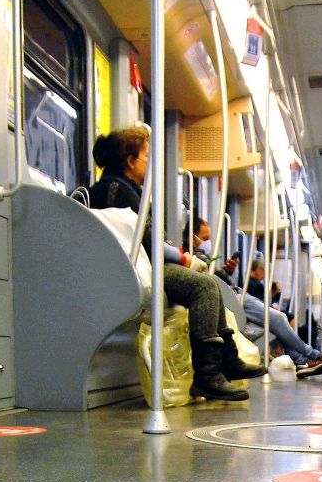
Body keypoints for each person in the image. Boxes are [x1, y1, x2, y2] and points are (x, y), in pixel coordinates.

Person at [88, 126, 265, 401]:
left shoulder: (120, 188)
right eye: (146, 156)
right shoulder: (118, 191)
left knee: (209, 283)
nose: (151, 163)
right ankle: (208, 375)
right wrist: (184, 258)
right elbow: (147, 243)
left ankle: (227, 360)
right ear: (131, 161)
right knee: (203, 286)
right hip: (131, 270)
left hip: (136, 265)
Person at [243, 259, 322, 378]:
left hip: (256, 315)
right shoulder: (253, 285)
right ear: (257, 270)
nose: (264, 274)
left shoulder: (251, 285)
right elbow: (261, 306)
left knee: (282, 324)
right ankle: (311, 356)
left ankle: (302, 361)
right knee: (280, 319)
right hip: (254, 317)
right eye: (262, 270)